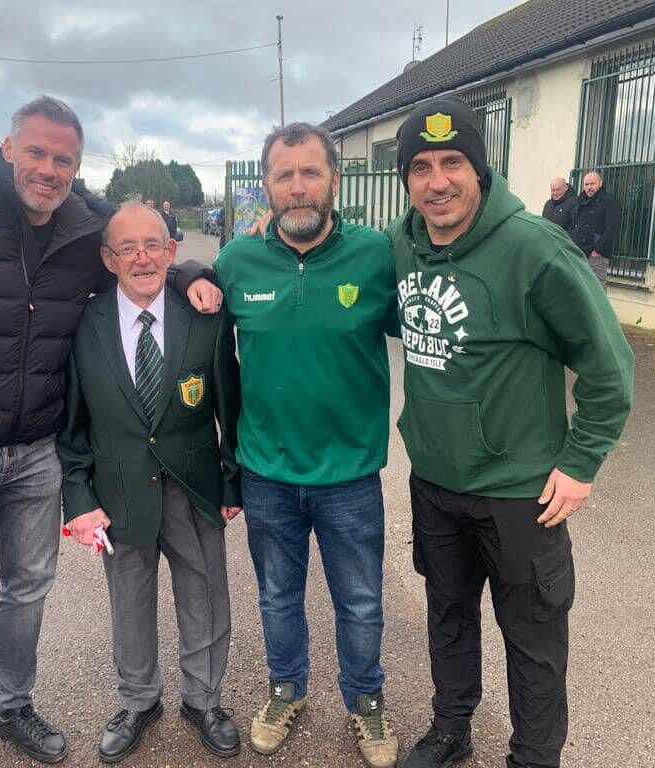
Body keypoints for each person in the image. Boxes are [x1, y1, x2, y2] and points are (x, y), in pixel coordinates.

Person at [0, 95, 220, 768]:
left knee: (26, 592)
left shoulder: (83, 223)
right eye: (38, 154)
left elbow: (145, 244)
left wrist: (194, 271)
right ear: (8, 149)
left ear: (76, 166)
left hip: (33, 454)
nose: (49, 170)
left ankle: (14, 707)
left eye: (64, 159)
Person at [388, 97, 633, 768]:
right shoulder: (400, 246)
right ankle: (451, 729)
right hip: (436, 482)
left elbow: (610, 367)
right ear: (406, 178)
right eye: (421, 167)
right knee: (448, 617)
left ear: (479, 168)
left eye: (453, 162)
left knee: (532, 638)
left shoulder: (535, 246)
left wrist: (582, 462)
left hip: (520, 494)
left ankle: (533, 756)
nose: (438, 181)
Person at [213, 123, 400, 768]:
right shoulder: (238, 262)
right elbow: (200, 328)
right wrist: (187, 272)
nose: (297, 188)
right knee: (276, 597)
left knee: (361, 600)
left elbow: (433, 327)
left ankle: (366, 702)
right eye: (284, 175)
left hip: (350, 474)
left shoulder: (376, 255)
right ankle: (286, 689)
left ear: (334, 182)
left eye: (310, 173)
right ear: (265, 185)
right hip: (266, 473)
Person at [58, 202, 242, 763]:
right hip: (118, 496)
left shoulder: (206, 316)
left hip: (194, 485)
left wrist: (232, 483)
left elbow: (229, 405)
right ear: (108, 259)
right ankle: (139, 700)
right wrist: (80, 498)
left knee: (205, 595)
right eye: (127, 248)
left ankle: (203, 699)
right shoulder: (82, 325)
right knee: (130, 603)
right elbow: (71, 425)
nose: (142, 257)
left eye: (153, 245)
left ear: (171, 251)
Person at [568, 171, 622, 288]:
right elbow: (573, 225)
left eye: (592, 184)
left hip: (596, 255)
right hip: (578, 252)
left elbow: (612, 227)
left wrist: (597, 250)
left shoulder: (609, 201)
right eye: (586, 184)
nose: (589, 187)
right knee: (580, 289)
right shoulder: (579, 201)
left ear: (600, 183)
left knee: (597, 289)